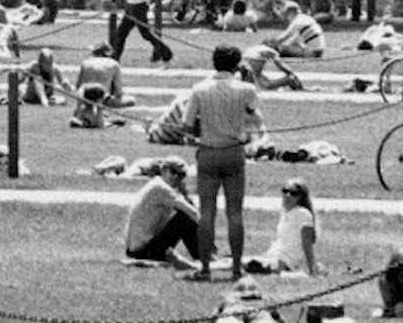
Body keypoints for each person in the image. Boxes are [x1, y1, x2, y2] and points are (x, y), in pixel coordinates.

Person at [182, 45, 266, 282]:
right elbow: (253, 115)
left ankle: (205, 268)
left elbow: (187, 125)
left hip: (208, 151)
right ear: (237, 64)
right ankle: (237, 268)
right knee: (235, 213)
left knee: (206, 212)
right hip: (233, 153)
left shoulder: (199, 89)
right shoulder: (246, 89)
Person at [124, 157, 201, 268]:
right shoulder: (161, 189)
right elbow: (192, 213)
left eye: (181, 175)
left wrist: (184, 192)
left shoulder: (157, 184)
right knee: (184, 218)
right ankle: (204, 258)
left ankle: (203, 255)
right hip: (142, 252)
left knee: (183, 217)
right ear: (164, 170)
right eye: (173, 172)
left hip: (136, 250)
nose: (176, 177)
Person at [245, 180, 318, 276]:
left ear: (301, 197)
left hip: (284, 262)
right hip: (274, 258)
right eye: (285, 191)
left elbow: (307, 244)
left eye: (293, 193)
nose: (288, 195)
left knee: (236, 263)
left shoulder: (303, 214)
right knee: (234, 261)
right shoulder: (286, 214)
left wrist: (312, 268)